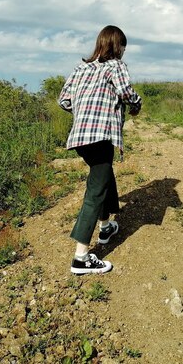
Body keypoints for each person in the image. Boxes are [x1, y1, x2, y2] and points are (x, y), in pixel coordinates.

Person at [58, 25, 142, 274]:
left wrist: (84, 111)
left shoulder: (80, 68)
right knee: (95, 190)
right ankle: (81, 257)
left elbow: (63, 100)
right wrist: (137, 104)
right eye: (123, 47)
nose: (124, 52)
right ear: (118, 46)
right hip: (102, 134)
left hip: (80, 137)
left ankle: (105, 227)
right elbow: (126, 92)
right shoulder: (115, 65)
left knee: (103, 174)